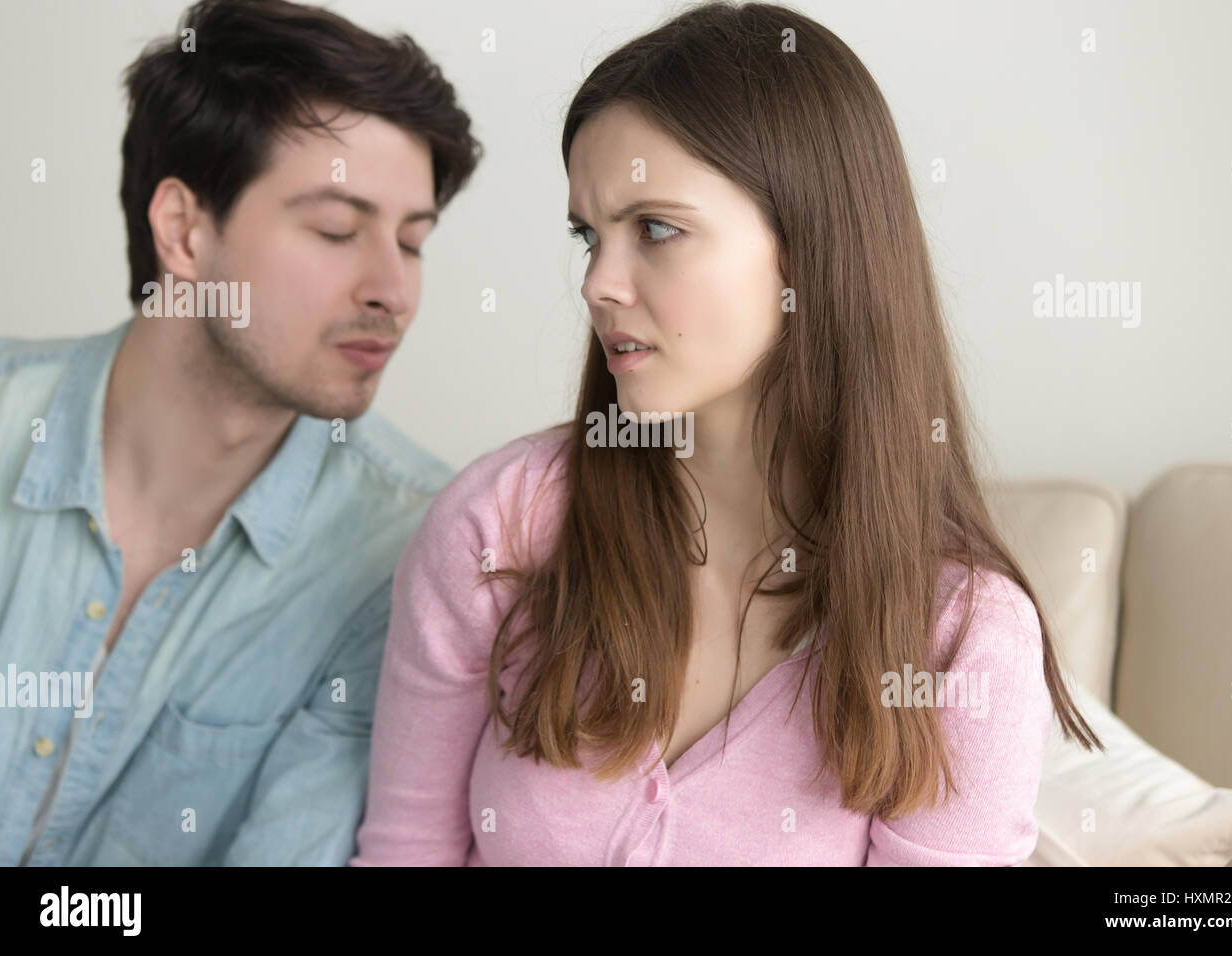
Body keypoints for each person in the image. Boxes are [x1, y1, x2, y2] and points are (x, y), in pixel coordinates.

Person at [350, 0, 1103, 867]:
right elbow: (403, 852)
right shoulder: (498, 526)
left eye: (656, 228)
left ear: (811, 249)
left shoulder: (964, 640)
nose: (598, 282)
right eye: (588, 235)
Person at [0, 0, 479, 865]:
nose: (392, 290)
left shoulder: (408, 558)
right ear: (182, 230)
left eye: (413, 241)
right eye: (337, 229)